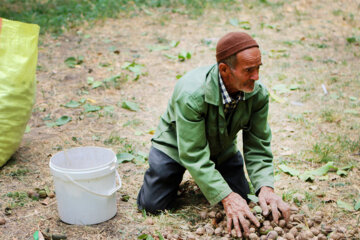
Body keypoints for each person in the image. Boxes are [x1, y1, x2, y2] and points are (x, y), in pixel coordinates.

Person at [137, 32, 290, 238]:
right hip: (175, 147)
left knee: (243, 200)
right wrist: (226, 196)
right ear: (225, 70)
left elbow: (258, 145)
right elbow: (192, 153)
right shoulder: (191, 94)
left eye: (258, 68)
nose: (256, 76)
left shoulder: (257, 94)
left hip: (221, 149)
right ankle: (187, 179)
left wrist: (265, 187)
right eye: (248, 70)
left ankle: (208, 182)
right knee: (152, 206)